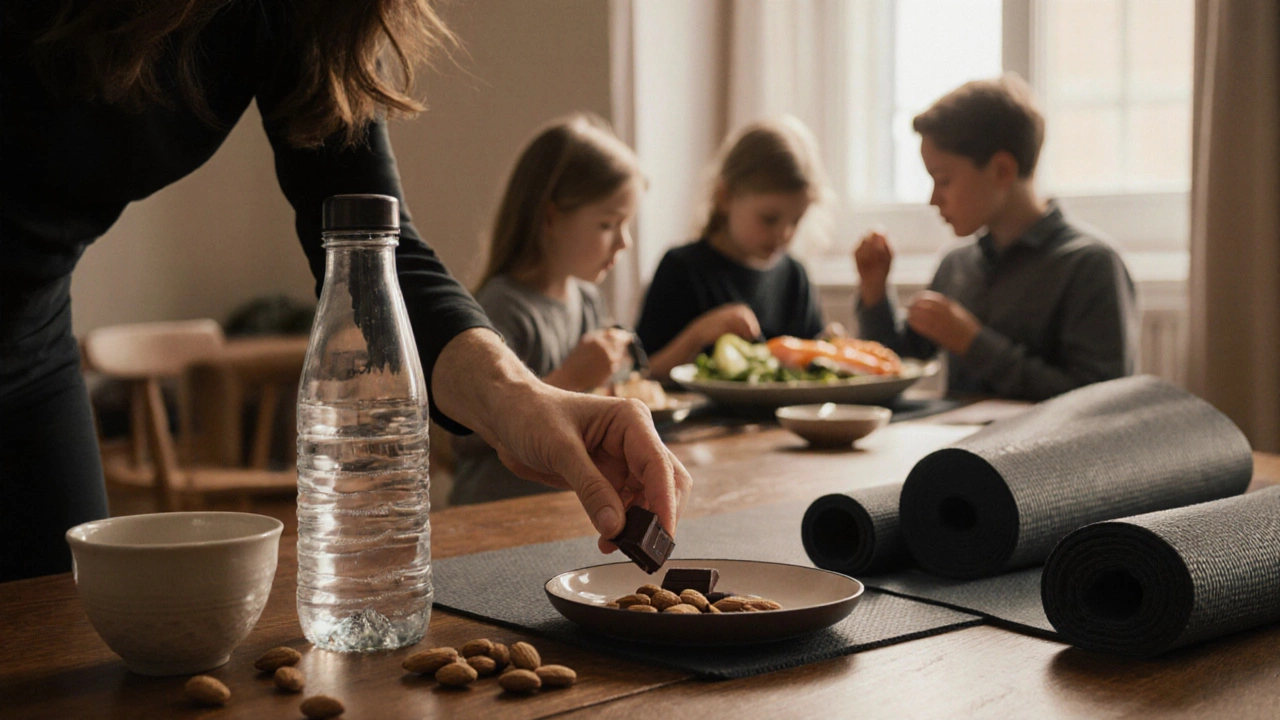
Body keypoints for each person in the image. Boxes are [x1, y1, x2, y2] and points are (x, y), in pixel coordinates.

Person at [0, 1, 690, 583]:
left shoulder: (311, 15)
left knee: (54, 645)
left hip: (25, 350)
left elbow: (373, 236)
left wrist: (519, 399)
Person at [854, 74, 1138, 401]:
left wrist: (973, 343)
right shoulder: (957, 264)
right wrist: (874, 292)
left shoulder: (1090, 266)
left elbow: (1099, 402)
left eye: (943, 180)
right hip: (957, 448)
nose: (933, 199)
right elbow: (897, 363)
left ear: (1002, 170)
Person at [450, 114, 643, 505]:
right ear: (551, 217)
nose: (624, 243)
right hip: (496, 515)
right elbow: (464, 440)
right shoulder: (502, 308)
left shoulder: (587, 300)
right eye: (608, 224)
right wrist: (573, 375)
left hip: (558, 509)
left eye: (627, 225)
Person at [635, 117, 829, 380]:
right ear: (725, 197)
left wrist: (828, 349)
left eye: (796, 220)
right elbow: (642, 375)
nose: (785, 234)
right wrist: (698, 335)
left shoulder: (795, 277)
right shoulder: (681, 268)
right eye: (769, 218)